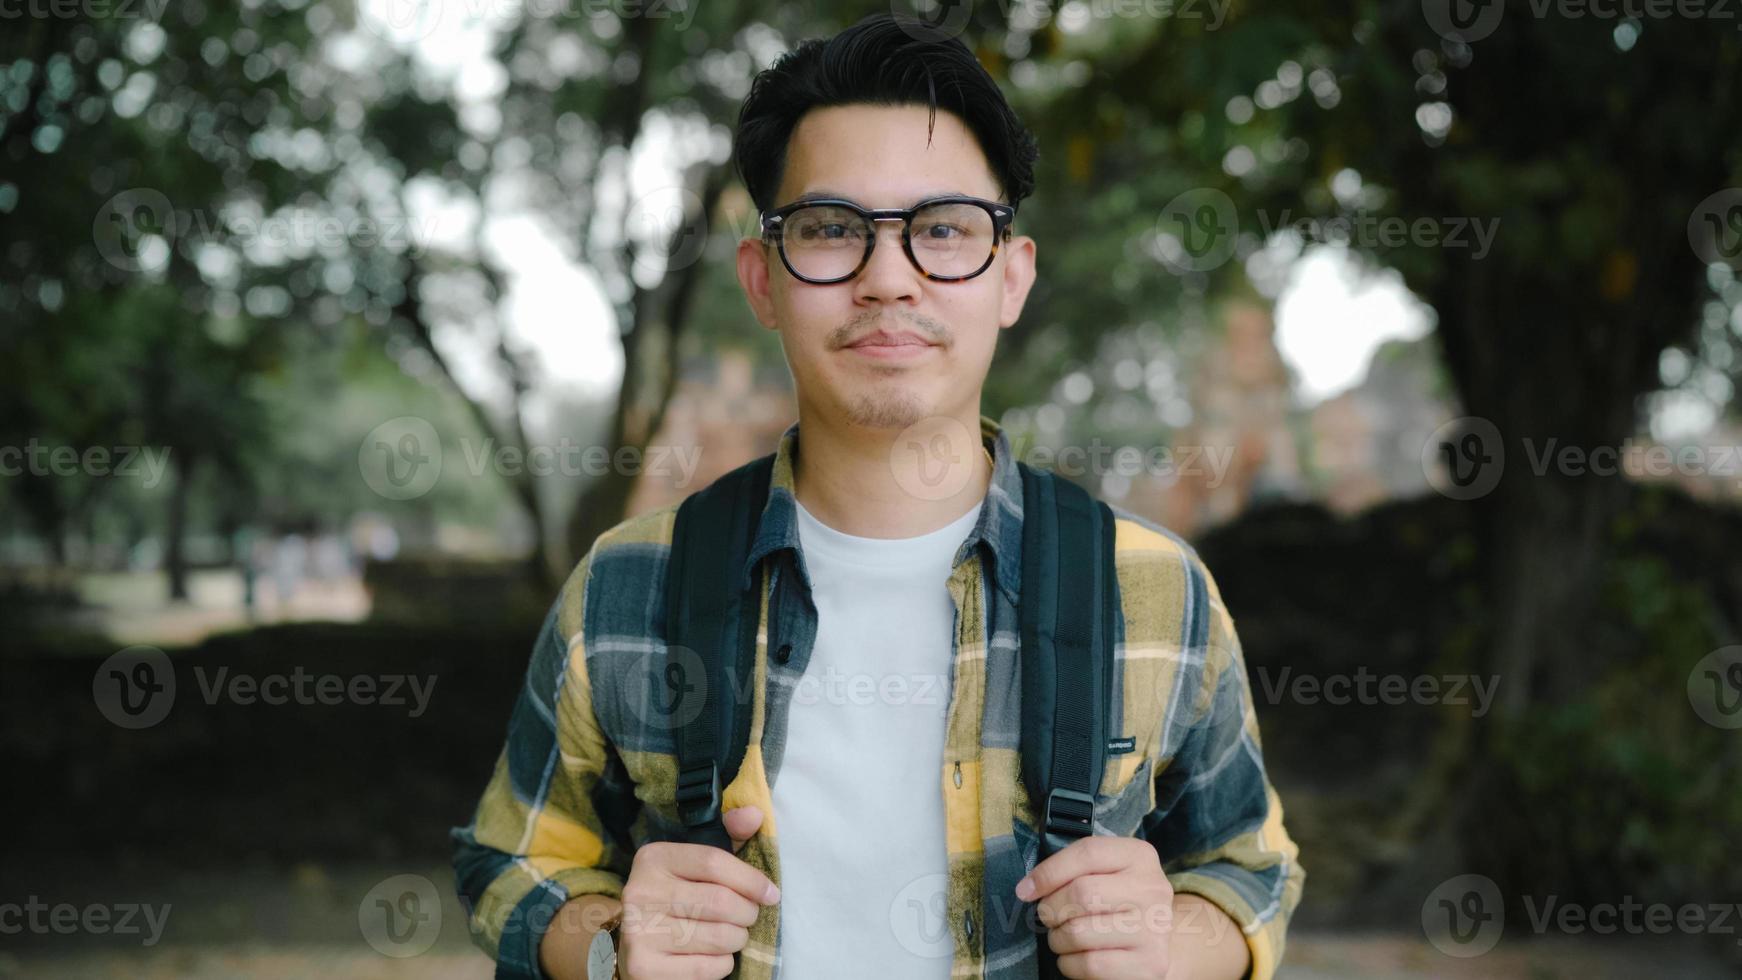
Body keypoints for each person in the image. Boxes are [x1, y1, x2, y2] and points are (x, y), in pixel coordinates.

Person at [451, 14, 1303, 980]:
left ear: (1011, 277)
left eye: (942, 229)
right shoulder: (628, 585)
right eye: (829, 231)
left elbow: (1249, 869)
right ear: (763, 280)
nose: (887, 278)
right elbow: (508, 862)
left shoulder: (1150, 588)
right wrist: (607, 943)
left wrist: (1173, 946)